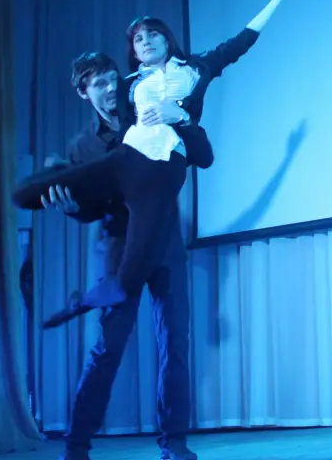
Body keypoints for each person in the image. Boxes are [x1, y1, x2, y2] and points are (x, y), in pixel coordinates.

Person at [13, 0, 299, 328]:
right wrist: (74, 191)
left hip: (163, 172)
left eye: (152, 35)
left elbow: (241, 42)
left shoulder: (196, 69)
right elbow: (106, 108)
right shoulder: (129, 83)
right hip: (129, 158)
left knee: (127, 284)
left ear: (167, 39)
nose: (145, 42)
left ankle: (81, 302)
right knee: (31, 191)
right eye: (138, 40)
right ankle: (49, 180)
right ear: (134, 51)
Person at [37, 51, 208, 460]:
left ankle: (174, 443)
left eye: (114, 78)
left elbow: (200, 153)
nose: (112, 88)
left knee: (175, 345)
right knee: (109, 347)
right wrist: (72, 207)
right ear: (84, 93)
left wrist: (182, 117)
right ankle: (76, 446)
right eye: (100, 84)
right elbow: (91, 207)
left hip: (165, 245)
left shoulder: (149, 109)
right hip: (120, 251)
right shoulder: (81, 147)